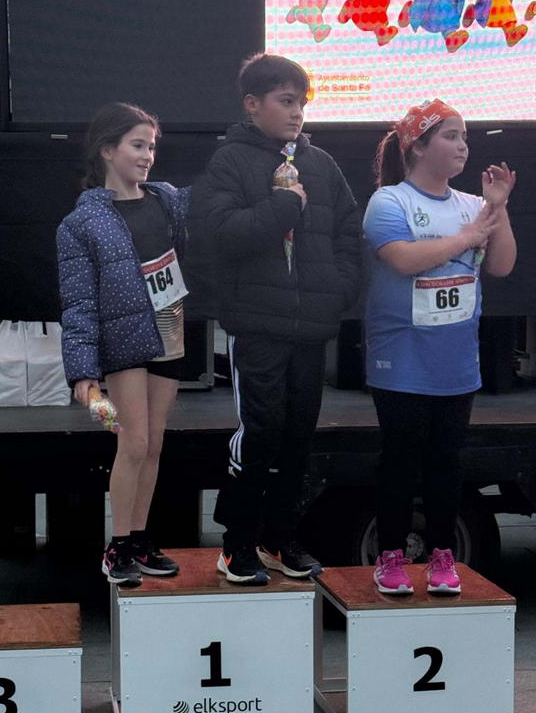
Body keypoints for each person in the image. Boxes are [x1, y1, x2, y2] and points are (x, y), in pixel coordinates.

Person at [190, 53, 362, 584]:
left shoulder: (321, 163)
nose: (296, 113)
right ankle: (236, 544)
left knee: (298, 436)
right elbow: (222, 234)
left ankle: (279, 539)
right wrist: (285, 207)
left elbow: (349, 232)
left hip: (310, 327)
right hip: (257, 326)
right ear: (252, 104)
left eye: (301, 103)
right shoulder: (229, 161)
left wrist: (336, 291)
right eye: (286, 101)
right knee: (260, 432)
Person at [363, 99, 517, 596]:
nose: (462, 145)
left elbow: (501, 266)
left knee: (447, 462)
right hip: (402, 358)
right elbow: (402, 259)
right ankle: (390, 556)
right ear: (417, 146)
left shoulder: (473, 205)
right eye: (451, 135)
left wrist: (497, 207)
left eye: (464, 136)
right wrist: (466, 237)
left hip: (456, 361)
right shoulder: (390, 201)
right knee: (400, 459)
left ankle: (442, 557)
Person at [57, 102, 189, 587]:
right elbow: (78, 302)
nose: (148, 155)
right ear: (107, 150)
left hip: (170, 332)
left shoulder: (169, 201)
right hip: (123, 341)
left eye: (151, 146)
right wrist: (82, 372)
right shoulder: (81, 224)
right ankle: (116, 547)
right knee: (130, 440)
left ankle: (139, 539)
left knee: (153, 443)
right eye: (137, 145)